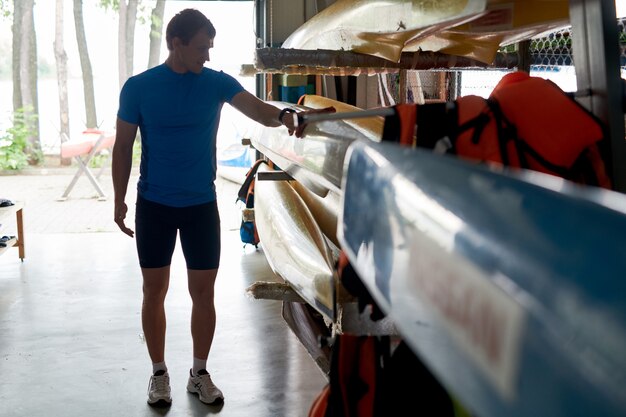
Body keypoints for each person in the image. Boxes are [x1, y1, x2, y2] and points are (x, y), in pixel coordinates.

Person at [112, 8, 301, 407]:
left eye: (210, 48)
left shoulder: (215, 84)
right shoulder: (138, 88)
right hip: (155, 205)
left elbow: (260, 111)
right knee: (154, 291)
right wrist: (118, 200)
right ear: (175, 44)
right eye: (201, 48)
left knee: (204, 293)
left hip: (200, 205)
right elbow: (122, 147)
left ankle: (199, 372)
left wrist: (287, 115)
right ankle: (159, 373)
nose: (208, 56)